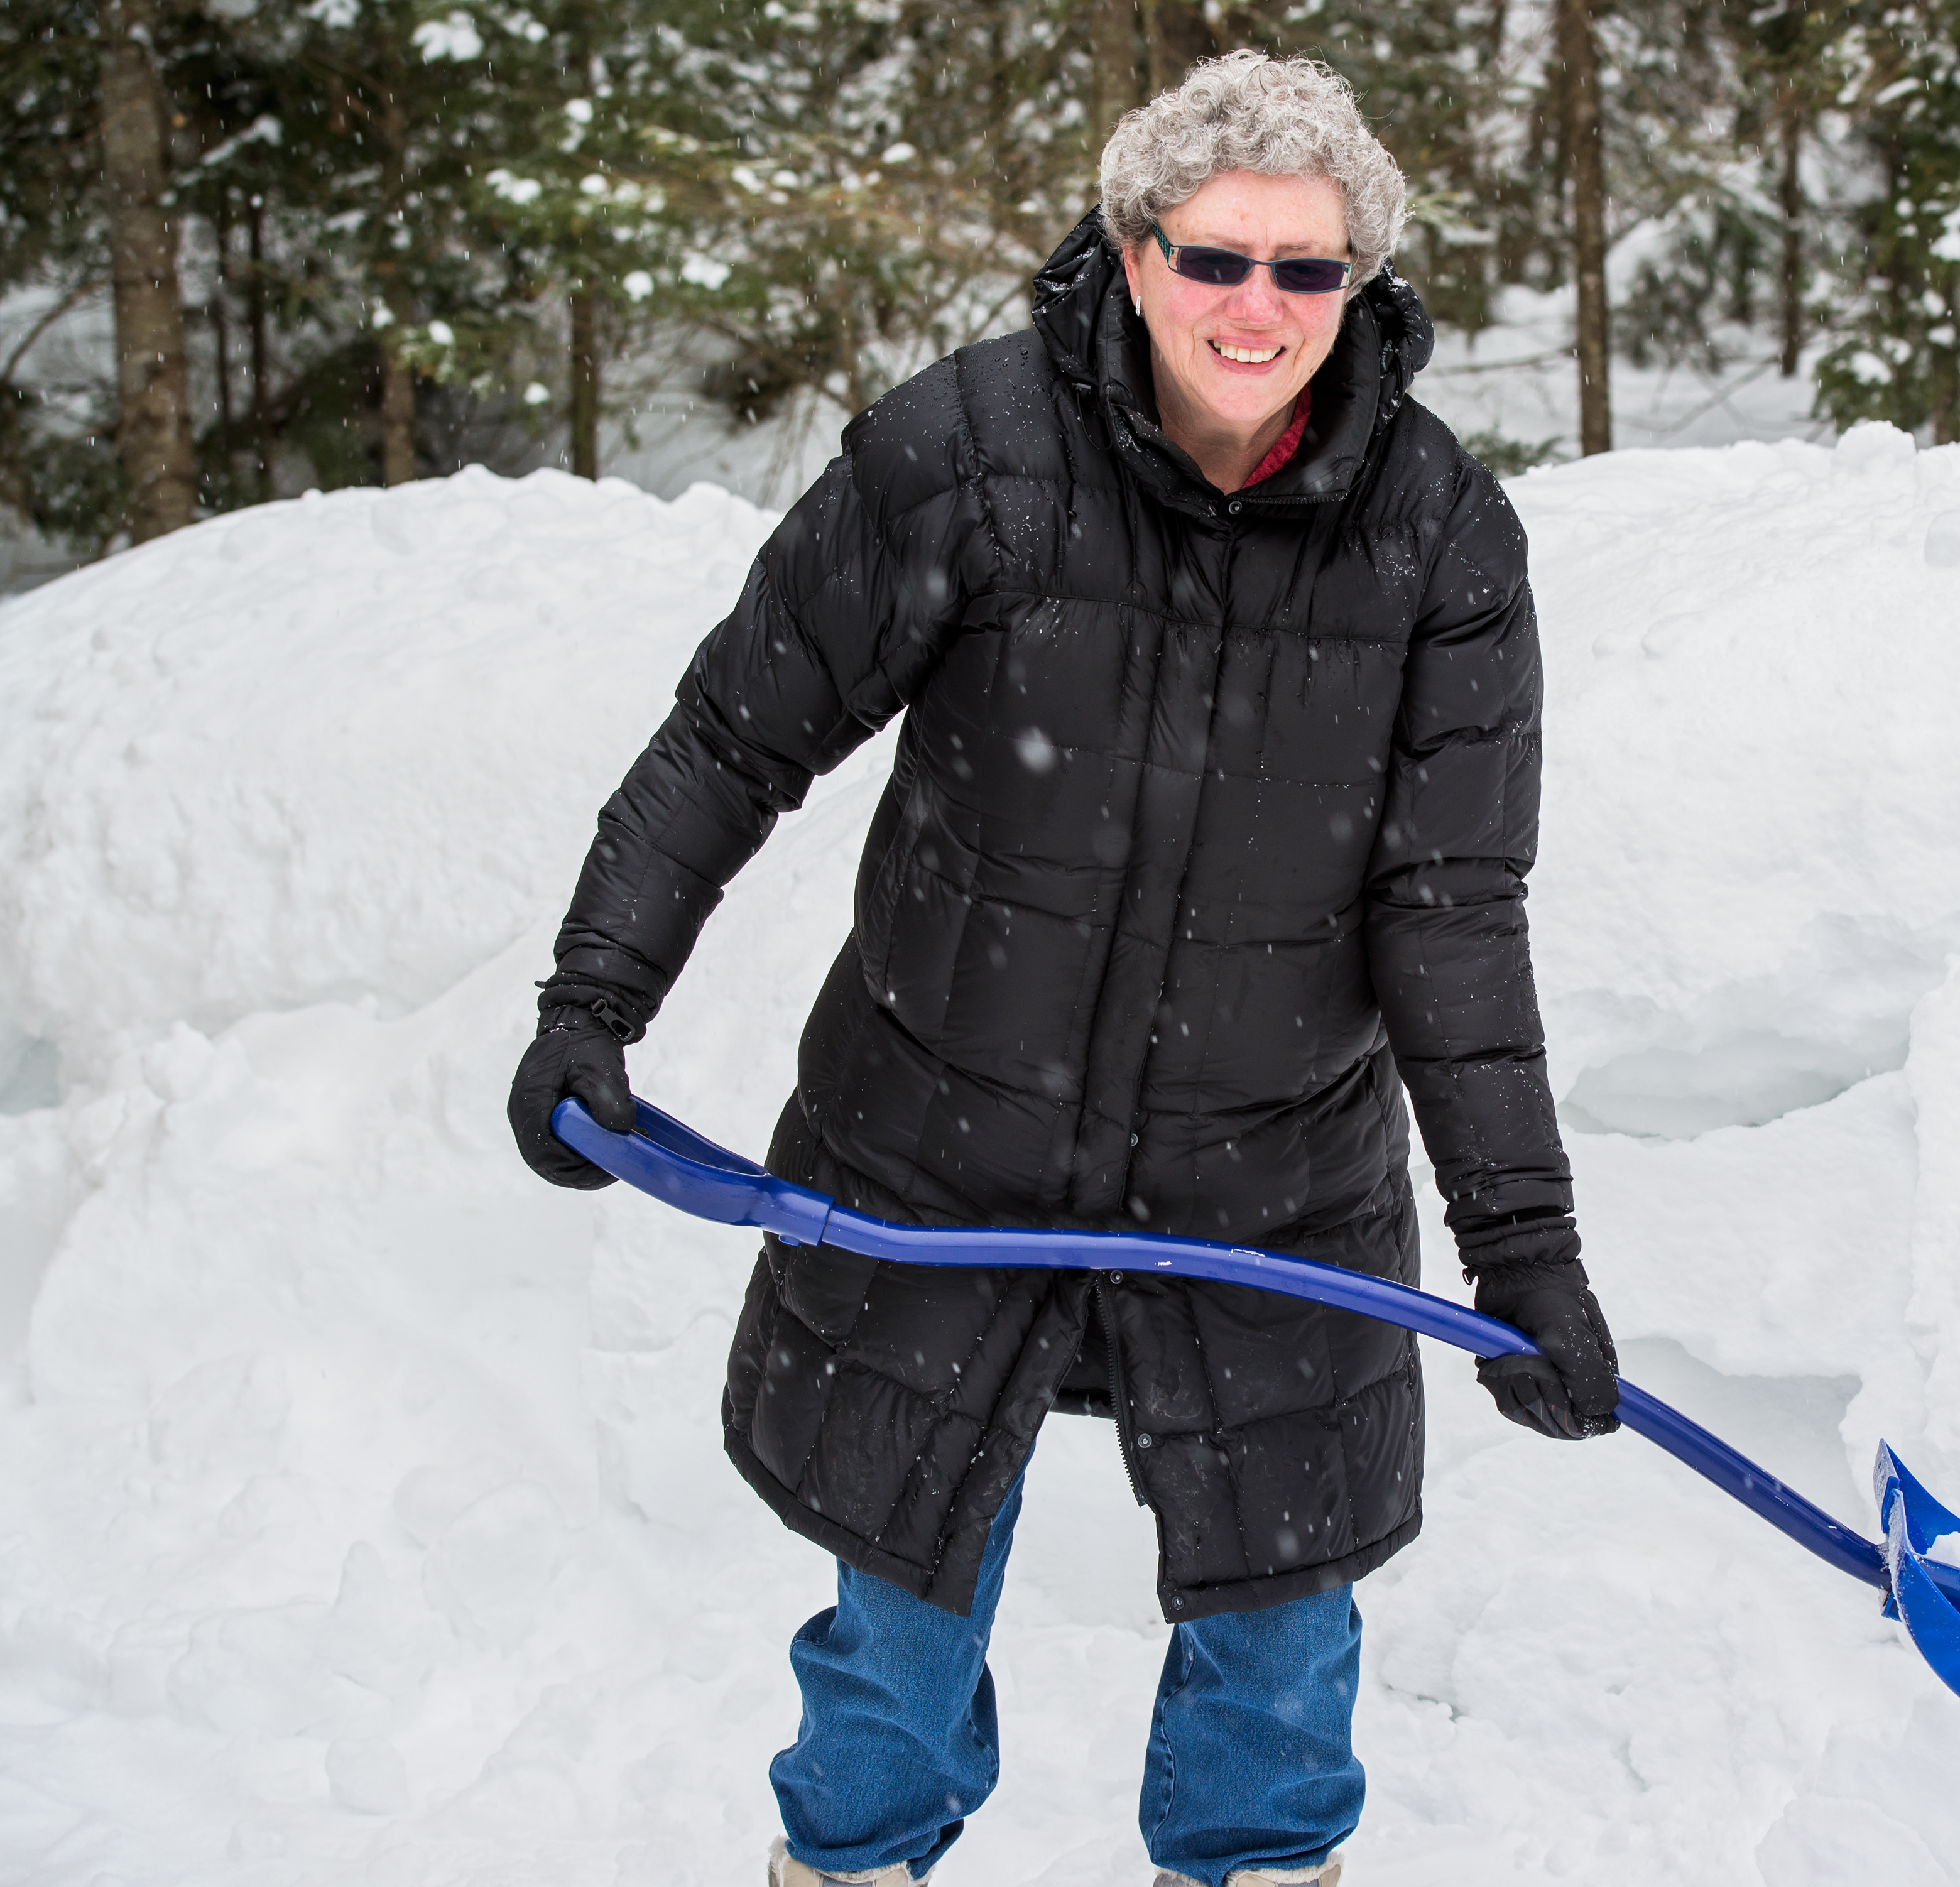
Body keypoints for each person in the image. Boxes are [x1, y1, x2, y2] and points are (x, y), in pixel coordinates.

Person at [505, 50, 1620, 1887]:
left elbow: (1451, 913)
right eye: (1213, 258)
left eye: (1305, 269)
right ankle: (851, 1866)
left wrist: (1528, 1251)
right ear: (1127, 246)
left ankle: (1256, 1871)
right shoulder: (960, 459)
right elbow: (733, 737)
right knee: (897, 1632)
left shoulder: (1438, 542)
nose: (1256, 308)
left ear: (1362, 281)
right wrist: (591, 998)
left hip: (1272, 1177)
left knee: (1280, 1636)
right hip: (938, 1145)